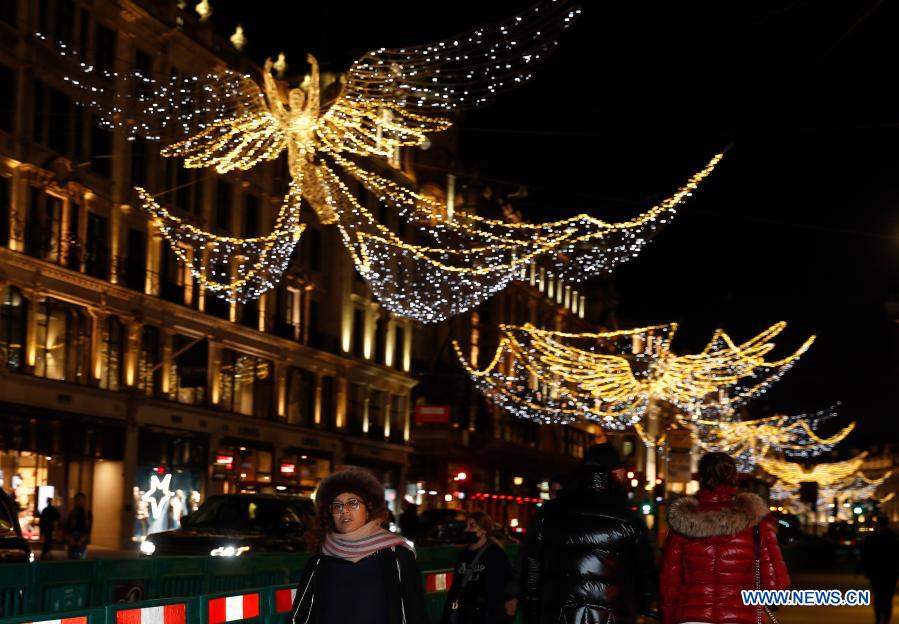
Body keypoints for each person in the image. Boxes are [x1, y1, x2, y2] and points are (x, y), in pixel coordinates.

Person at [521, 444, 656, 624]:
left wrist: (533, 610)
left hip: (559, 614)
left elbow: (532, 567)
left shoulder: (549, 514)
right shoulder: (628, 519)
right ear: (615, 473)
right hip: (611, 616)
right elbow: (644, 574)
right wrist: (642, 606)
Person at [660, 452, 790, 624]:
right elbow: (776, 584)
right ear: (734, 477)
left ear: (701, 477)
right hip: (741, 616)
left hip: (692, 616)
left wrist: (669, 617)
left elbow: (669, 582)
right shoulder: (756, 522)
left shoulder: (682, 522)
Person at [289, 469, 429, 624]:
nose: (344, 510)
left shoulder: (397, 557)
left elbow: (416, 614)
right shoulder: (319, 562)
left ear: (369, 509)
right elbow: (300, 616)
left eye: (353, 503)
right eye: (337, 506)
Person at [504, 473, 566, 619]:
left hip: (561, 595)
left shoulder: (573, 521)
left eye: (560, 492)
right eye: (553, 492)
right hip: (539, 595)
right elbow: (525, 555)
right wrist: (513, 593)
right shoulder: (541, 518)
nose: (556, 497)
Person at [441, 511, 512, 624]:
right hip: (464, 614)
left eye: (472, 526)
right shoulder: (464, 554)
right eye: (467, 526)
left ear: (484, 530)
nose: (467, 530)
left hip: (485, 615)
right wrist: (448, 614)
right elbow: (456, 587)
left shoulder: (495, 554)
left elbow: (501, 587)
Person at [860, 515, 899, 624]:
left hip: (877, 571)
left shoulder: (872, 537)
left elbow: (866, 555)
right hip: (889, 571)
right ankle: (885, 619)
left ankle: (879, 619)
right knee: (887, 597)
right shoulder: (893, 537)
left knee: (879, 596)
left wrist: (865, 569)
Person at [64, 492, 93, 560]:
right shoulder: (72, 513)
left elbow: (88, 529)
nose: (79, 502)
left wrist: (81, 541)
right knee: (72, 558)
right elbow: (68, 528)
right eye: (78, 500)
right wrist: (71, 539)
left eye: (81, 500)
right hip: (72, 538)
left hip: (82, 539)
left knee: (81, 558)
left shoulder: (88, 514)